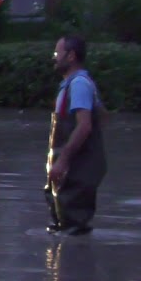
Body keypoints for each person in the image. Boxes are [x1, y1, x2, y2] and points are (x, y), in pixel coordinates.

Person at [45, 34, 107, 236]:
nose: (53, 57)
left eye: (57, 53)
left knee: (73, 230)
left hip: (78, 167)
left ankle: (71, 266)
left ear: (70, 56)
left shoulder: (79, 84)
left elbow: (84, 126)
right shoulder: (71, 85)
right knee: (64, 223)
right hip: (71, 168)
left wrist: (62, 161)